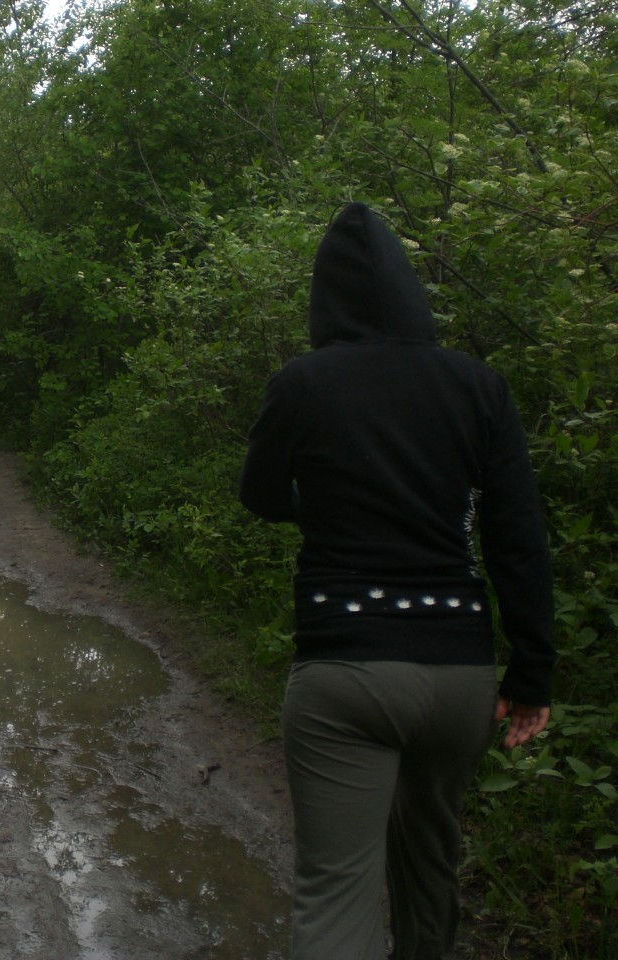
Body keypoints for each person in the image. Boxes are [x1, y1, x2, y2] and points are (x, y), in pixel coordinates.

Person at [238, 201, 555, 960]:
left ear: (325, 298)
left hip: (344, 669)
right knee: (430, 869)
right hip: (459, 674)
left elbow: (259, 494)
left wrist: (317, 508)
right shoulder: (479, 386)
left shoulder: (302, 383)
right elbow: (517, 538)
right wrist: (532, 674)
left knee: (335, 890)